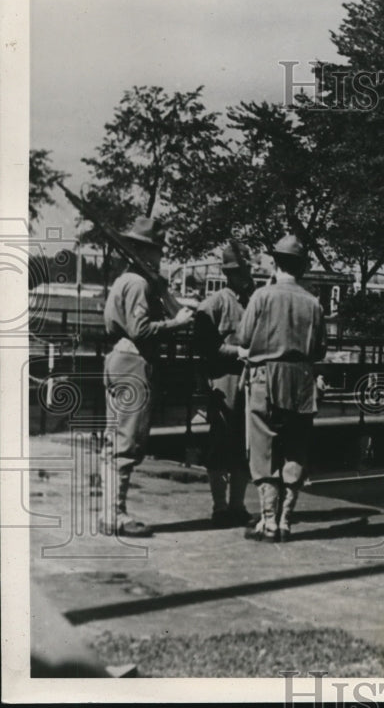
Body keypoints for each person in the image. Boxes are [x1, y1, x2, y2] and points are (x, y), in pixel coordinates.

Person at [100, 216, 194, 537]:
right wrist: (177, 323)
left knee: (114, 440)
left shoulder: (124, 280)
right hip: (134, 362)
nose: (160, 257)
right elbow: (141, 331)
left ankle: (109, 512)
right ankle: (117, 515)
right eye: (158, 251)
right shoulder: (140, 283)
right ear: (148, 251)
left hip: (116, 358)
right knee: (127, 441)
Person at [236, 235, 327, 542]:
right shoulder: (314, 303)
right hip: (301, 381)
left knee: (263, 449)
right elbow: (320, 350)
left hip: (265, 377)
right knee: (295, 448)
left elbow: (243, 338)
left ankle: (268, 521)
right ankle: (286, 520)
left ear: (275, 263)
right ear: (302, 267)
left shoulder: (263, 296)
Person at [193, 242, 256, 527]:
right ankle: (220, 506)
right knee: (220, 441)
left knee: (245, 443)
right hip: (224, 379)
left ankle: (238, 505)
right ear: (229, 273)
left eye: (247, 269)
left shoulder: (254, 301)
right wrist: (236, 352)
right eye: (240, 270)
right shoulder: (215, 302)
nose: (246, 275)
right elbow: (206, 345)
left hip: (250, 380)